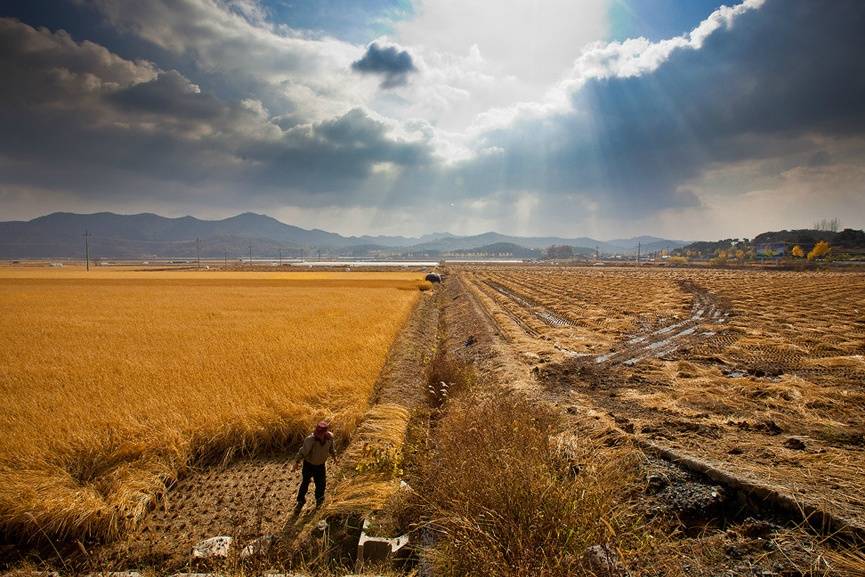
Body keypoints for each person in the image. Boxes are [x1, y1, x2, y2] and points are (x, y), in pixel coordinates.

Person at [293, 420, 337, 513]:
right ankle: (300, 502)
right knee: (305, 483)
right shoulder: (310, 440)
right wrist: (296, 462)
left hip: (320, 466)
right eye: (317, 432)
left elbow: (331, 449)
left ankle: (319, 502)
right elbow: (303, 451)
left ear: (325, 432)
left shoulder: (329, 438)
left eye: (320, 433)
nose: (318, 434)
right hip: (309, 465)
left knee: (321, 484)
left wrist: (334, 458)